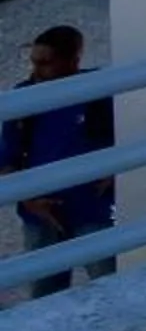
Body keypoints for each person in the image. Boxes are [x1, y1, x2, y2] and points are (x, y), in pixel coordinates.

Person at [6, 25, 116, 296]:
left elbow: (134, 133)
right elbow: (6, 160)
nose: (35, 72)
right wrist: (28, 199)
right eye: (34, 63)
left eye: (45, 64)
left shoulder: (102, 91)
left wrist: (117, 172)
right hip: (40, 216)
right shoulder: (22, 98)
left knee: (111, 287)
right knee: (44, 298)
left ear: (74, 61)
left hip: (92, 211)